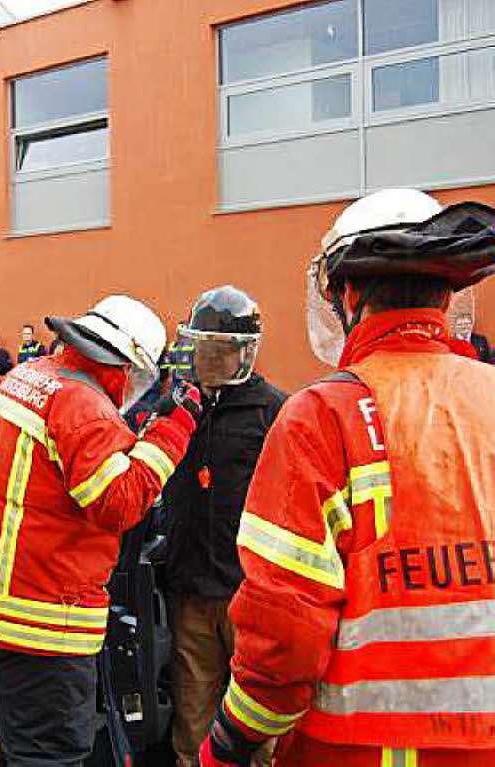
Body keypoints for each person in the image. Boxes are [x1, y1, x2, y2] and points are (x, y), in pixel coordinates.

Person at [200, 189, 495, 767]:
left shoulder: (324, 414)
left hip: (363, 747)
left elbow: (283, 635)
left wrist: (231, 739)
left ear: (348, 293)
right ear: (448, 290)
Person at [0, 295, 202, 766]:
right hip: (43, 622)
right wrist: (173, 430)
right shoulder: (83, 406)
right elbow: (119, 502)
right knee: (52, 754)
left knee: (3, 748)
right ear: (125, 363)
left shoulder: (27, 379)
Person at [159, 286, 286, 767]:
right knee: (192, 723)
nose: (205, 359)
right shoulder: (179, 405)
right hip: (190, 594)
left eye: (217, 349)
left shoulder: (273, 411)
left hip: (249, 597)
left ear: (244, 352)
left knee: (259, 728)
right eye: (200, 347)